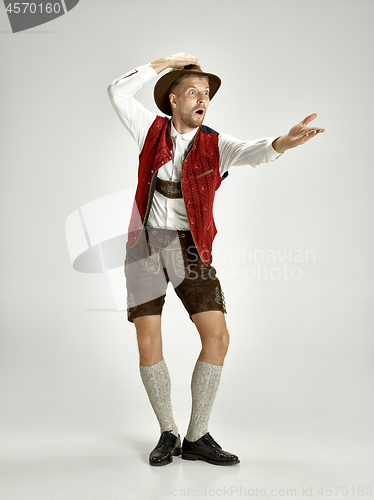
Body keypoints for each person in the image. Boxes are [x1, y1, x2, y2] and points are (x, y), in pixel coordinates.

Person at [107, 52, 324, 467]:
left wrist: (284, 142)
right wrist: (164, 62)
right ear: (173, 100)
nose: (202, 99)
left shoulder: (216, 144)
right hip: (145, 247)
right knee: (149, 339)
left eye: (206, 94)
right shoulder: (149, 130)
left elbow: (254, 151)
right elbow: (117, 91)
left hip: (192, 249)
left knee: (217, 337)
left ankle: (197, 436)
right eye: (192, 91)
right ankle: (167, 433)